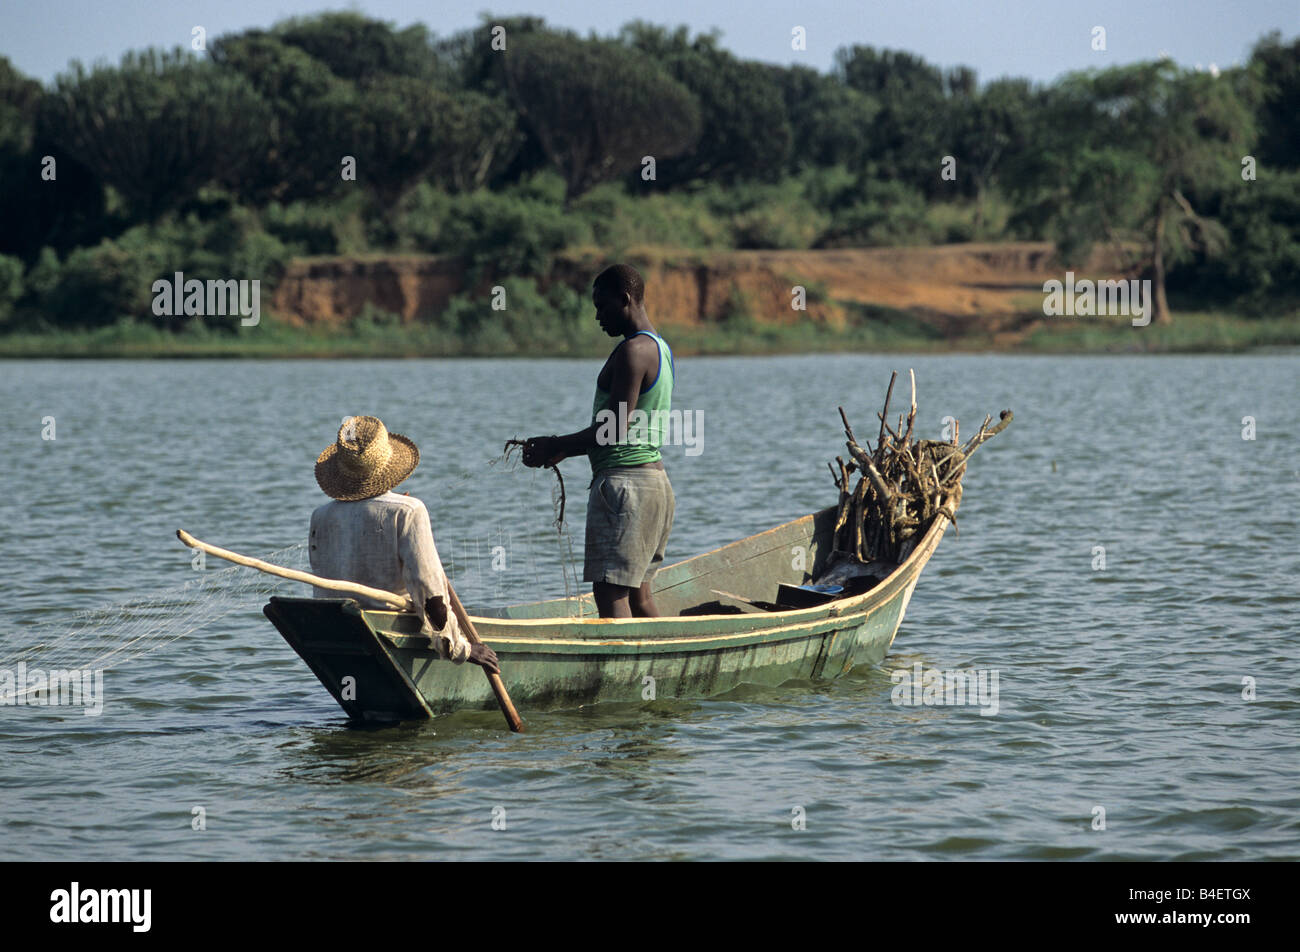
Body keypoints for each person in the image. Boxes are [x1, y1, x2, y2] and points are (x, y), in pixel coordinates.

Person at [522, 264, 675, 618]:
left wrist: (555, 442)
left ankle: (625, 673)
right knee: (639, 596)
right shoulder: (660, 348)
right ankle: (655, 669)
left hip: (625, 488)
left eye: (602, 306)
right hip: (655, 486)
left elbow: (615, 428)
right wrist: (562, 449)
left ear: (625, 300)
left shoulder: (633, 351)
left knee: (610, 593)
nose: (597, 316)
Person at [309, 414, 499, 673]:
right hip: (391, 627)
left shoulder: (321, 516)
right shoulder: (409, 510)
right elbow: (428, 587)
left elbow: (325, 585)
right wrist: (460, 647)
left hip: (341, 630)